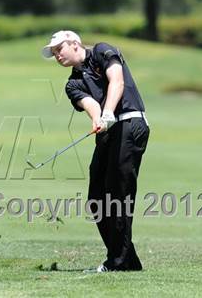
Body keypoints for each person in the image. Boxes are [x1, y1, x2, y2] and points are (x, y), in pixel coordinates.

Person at [42, 31, 150, 272]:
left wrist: (109, 111)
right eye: (53, 52)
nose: (56, 55)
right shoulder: (72, 84)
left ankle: (118, 262)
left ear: (74, 43)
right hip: (108, 131)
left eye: (60, 48)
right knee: (97, 199)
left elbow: (117, 80)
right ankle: (126, 259)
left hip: (130, 124)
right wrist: (99, 118)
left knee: (118, 194)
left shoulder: (102, 51)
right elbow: (90, 104)